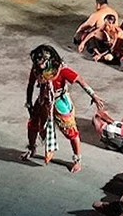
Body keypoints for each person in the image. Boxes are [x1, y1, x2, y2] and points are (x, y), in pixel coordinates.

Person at [24, 45, 104, 173]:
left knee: (71, 131)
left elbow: (80, 81)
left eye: (42, 62)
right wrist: (29, 103)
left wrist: (93, 95)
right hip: (43, 101)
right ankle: (32, 148)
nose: (39, 66)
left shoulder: (61, 70)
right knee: (33, 124)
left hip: (59, 101)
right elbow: (30, 85)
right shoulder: (36, 70)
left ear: (49, 60)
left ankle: (77, 160)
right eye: (37, 63)